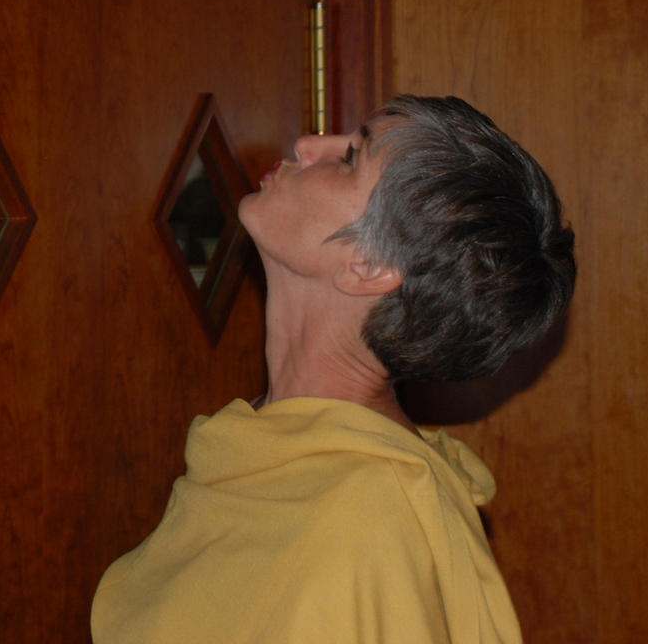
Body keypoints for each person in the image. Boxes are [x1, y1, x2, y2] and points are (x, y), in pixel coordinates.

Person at [91, 96, 576, 644]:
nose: (307, 145)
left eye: (349, 158)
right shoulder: (268, 445)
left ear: (368, 265)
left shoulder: (366, 523)